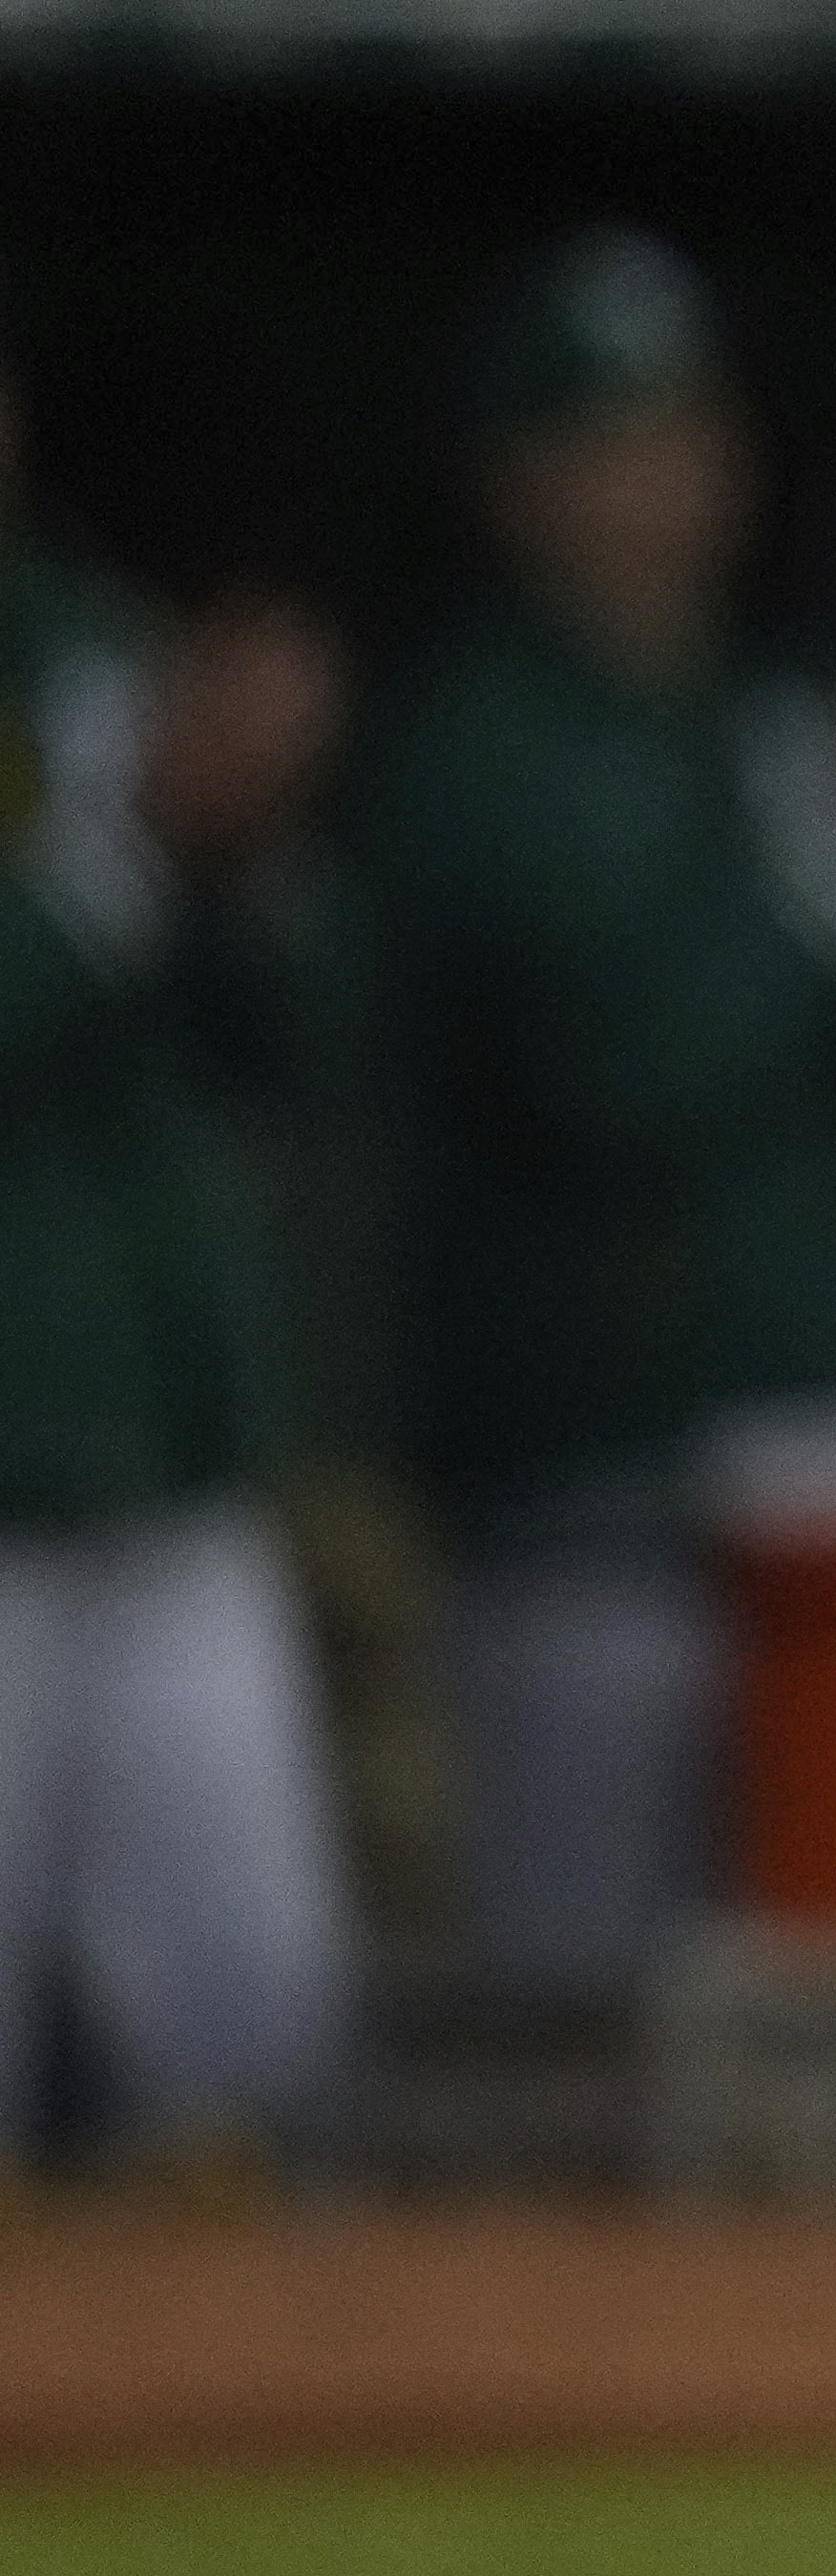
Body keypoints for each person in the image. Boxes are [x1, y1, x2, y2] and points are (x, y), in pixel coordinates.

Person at [350, 230, 836, 2013]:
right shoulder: (470, 748)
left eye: (690, 428)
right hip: (590, 1515)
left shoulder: (782, 707)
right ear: (518, 485)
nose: (668, 477)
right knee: (584, 2031)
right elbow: (621, 1074)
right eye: (612, 437)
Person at [0, 333, 348, 2170]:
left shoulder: (86, 649)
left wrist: (246, 825)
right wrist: (134, 850)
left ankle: (276, 2419)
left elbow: (274, 1036)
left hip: (167, 1455)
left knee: (262, 2015)